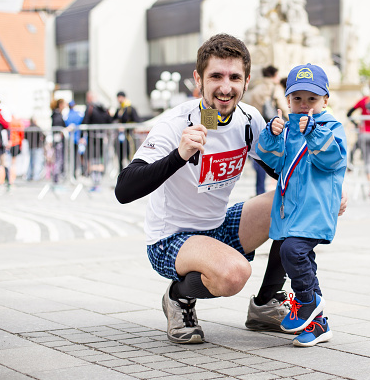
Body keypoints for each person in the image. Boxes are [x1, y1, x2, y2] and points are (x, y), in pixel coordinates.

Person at [114, 33, 347, 344]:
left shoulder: (247, 119)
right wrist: (178, 156)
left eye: (234, 77)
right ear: (199, 79)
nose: (226, 87)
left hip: (220, 226)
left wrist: (330, 193)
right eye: (216, 76)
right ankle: (178, 298)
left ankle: (266, 304)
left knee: (288, 202)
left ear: (246, 80)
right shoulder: (176, 124)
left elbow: (283, 170)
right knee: (234, 273)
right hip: (172, 239)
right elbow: (124, 189)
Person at [257, 63, 346, 347]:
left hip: (315, 210)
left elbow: (332, 158)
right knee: (298, 257)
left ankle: (307, 302)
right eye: (297, 99)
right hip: (290, 210)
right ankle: (318, 325)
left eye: (312, 99)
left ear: (325, 101)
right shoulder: (287, 130)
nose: (304, 105)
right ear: (288, 100)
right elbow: (270, 160)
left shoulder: (331, 127)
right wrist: (271, 134)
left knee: (292, 251)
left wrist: (313, 132)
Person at [244, 65, 282, 196]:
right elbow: (282, 104)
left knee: (258, 158)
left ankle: (259, 190)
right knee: (272, 159)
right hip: (272, 127)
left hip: (257, 126)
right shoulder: (273, 88)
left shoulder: (256, 89)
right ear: (273, 75)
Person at [81, 92, 112, 191]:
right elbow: (110, 121)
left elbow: (84, 123)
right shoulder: (104, 108)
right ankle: (98, 182)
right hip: (102, 138)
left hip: (92, 138)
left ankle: (95, 182)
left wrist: (82, 137)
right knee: (100, 160)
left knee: (93, 160)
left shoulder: (90, 108)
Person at [113, 91, 140, 172]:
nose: (119, 99)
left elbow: (136, 120)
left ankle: (131, 170)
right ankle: (121, 171)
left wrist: (126, 127)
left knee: (130, 153)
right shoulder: (119, 109)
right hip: (120, 136)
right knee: (120, 153)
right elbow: (113, 119)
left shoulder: (130, 108)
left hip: (129, 135)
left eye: (120, 97)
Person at [65, 101, 85, 177]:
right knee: (79, 156)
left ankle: (72, 173)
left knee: (71, 157)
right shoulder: (79, 114)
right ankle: (77, 172)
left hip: (70, 139)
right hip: (78, 139)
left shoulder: (67, 115)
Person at [51, 99, 67, 184]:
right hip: (58, 141)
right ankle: (56, 179)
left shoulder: (57, 114)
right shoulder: (57, 115)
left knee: (59, 159)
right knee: (58, 159)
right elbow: (58, 128)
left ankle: (57, 178)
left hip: (58, 141)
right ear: (60, 104)